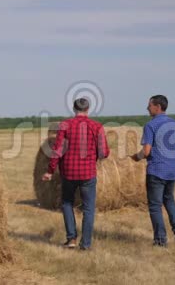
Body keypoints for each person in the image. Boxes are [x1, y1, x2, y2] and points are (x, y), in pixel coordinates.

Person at [43, 98, 110, 250]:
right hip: (88, 174)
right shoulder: (97, 126)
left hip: (68, 173)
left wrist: (50, 171)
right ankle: (85, 244)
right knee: (88, 209)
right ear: (88, 109)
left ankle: (71, 239)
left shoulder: (65, 125)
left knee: (67, 203)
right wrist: (95, 156)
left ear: (74, 109)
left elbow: (58, 151)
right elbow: (104, 152)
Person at [132, 95, 175, 246]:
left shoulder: (150, 126)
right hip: (172, 172)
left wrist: (135, 158)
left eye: (149, 105)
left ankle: (160, 240)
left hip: (156, 171)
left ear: (157, 107)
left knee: (155, 205)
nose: (147, 108)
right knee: (169, 199)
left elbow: (146, 151)